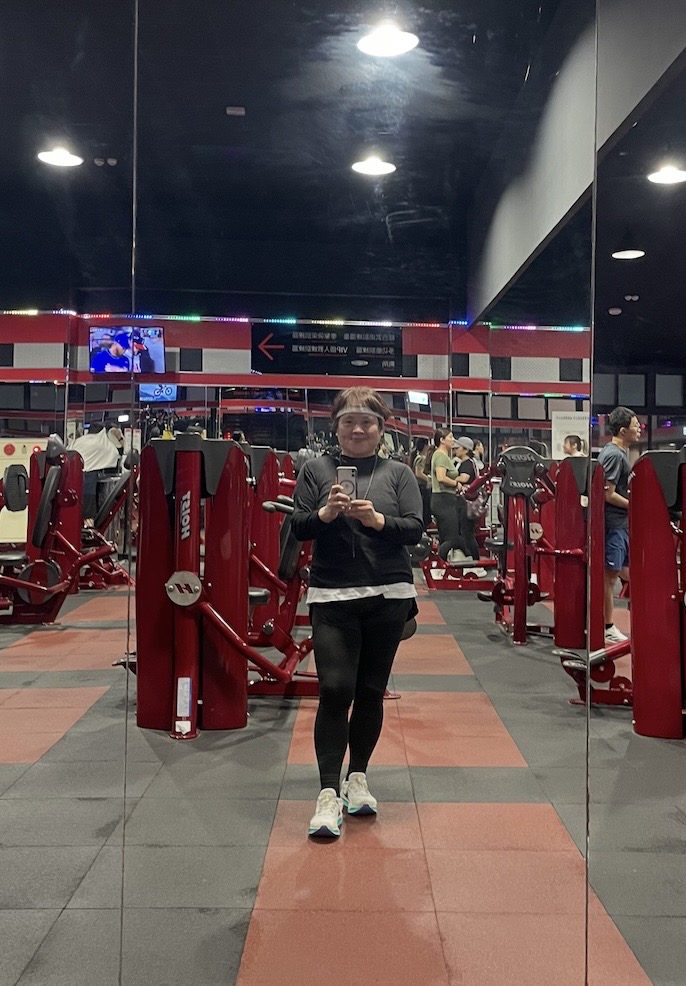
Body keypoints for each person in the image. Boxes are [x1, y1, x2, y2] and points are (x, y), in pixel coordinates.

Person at [291, 387, 423, 838]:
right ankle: (328, 792)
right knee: (334, 689)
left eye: (367, 421)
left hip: (388, 594)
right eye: (349, 421)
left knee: (370, 691)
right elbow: (298, 525)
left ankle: (357, 778)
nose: (358, 429)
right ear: (336, 427)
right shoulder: (315, 470)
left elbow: (415, 529)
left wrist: (376, 521)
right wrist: (326, 513)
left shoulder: (398, 473)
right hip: (332, 595)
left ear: (381, 429)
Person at [597, 406, 640, 644]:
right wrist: (635, 506)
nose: (639, 429)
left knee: (628, 572)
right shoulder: (614, 455)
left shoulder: (618, 453)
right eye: (636, 426)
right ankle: (607, 627)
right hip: (613, 524)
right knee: (609, 578)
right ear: (623, 431)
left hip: (620, 524)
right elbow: (608, 494)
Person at [69, 422, 121, 524]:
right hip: (89, 486)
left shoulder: (78, 442)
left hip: (72, 483)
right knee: (88, 517)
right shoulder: (103, 444)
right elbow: (116, 453)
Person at [429, 428, 464, 561]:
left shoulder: (442, 456)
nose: (453, 440)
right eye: (450, 437)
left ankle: (441, 564)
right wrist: (456, 484)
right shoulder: (441, 456)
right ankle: (439, 563)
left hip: (444, 499)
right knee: (452, 538)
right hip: (443, 500)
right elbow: (441, 477)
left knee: (445, 537)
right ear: (442, 440)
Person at [453, 436, 485, 573]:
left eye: (458, 447)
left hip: (466, 503)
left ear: (465, 450)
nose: (455, 449)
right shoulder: (471, 462)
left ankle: (475, 561)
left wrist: (449, 477)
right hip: (468, 503)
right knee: (466, 532)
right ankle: (471, 560)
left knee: (467, 533)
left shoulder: (467, 464)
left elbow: (464, 478)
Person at [411, 437, 432, 530]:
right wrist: (429, 479)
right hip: (422, 486)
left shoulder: (418, 457)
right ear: (425, 446)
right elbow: (418, 473)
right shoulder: (421, 458)